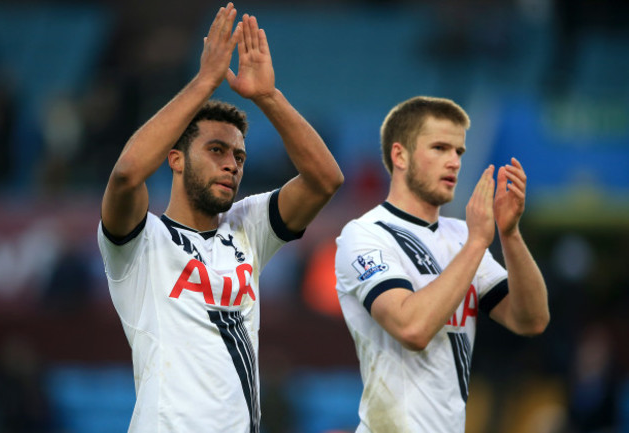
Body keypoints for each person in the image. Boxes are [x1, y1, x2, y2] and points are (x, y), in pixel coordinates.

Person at [97, 4, 343, 432]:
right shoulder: (140, 242)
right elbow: (125, 174)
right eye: (216, 150)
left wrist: (267, 96)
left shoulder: (248, 228)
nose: (232, 164)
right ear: (175, 159)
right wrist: (205, 81)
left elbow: (325, 179)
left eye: (239, 156)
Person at [334, 96, 549, 432]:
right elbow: (412, 328)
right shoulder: (364, 235)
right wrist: (479, 242)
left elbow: (531, 319)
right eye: (439, 148)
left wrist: (510, 235)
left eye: (459, 152)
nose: (454, 162)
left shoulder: (462, 236)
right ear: (399, 154)